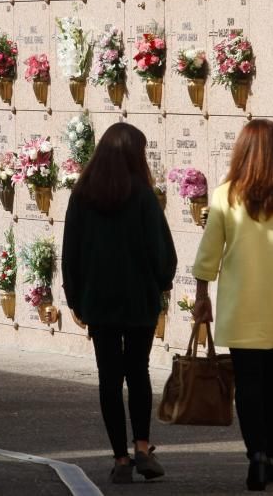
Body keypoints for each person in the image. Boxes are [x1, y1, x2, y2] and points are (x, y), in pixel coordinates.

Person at [192, 119, 273, 491]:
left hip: (240, 306)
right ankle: (271, 453)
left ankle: (256, 457)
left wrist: (202, 296)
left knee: (248, 383)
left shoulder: (223, 196)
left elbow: (208, 255)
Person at [62, 124, 176, 484]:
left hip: (99, 299)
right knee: (138, 372)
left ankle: (120, 458)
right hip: (138, 298)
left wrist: (76, 299)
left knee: (109, 379)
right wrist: (162, 284)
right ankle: (142, 448)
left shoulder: (82, 196)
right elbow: (162, 253)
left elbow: (71, 254)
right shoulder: (142, 196)